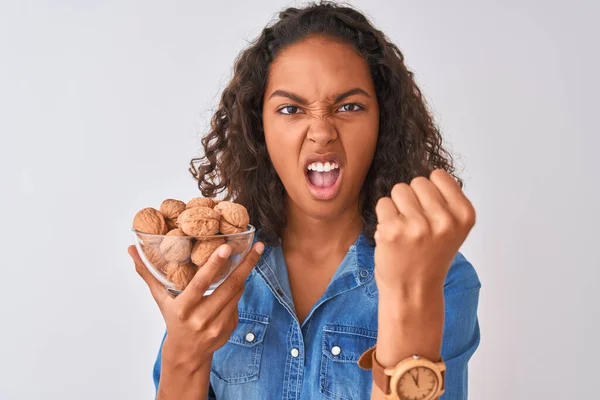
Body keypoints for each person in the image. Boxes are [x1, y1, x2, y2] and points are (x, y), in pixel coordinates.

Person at [128, 2, 480, 399]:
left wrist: (409, 293)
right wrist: (185, 352)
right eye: (291, 109)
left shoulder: (444, 277)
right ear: (259, 128)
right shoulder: (214, 266)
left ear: (383, 122)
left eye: (349, 106)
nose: (321, 132)